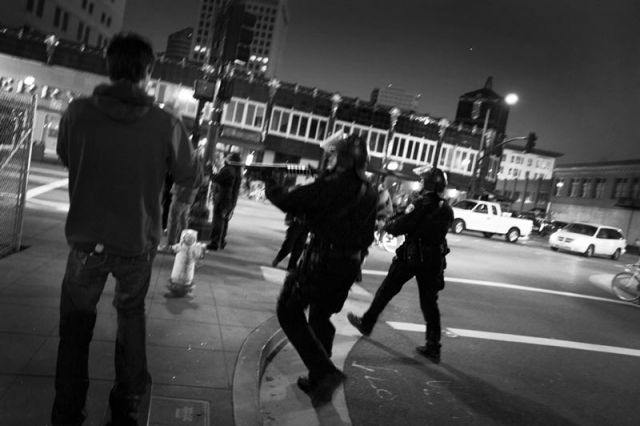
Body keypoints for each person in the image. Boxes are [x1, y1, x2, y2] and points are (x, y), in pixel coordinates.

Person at [52, 32, 196, 426]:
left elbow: (67, 155)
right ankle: (126, 406)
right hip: (136, 242)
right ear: (148, 72)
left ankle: (67, 409)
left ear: (109, 67)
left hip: (86, 241)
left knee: (75, 327)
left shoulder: (78, 112)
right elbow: (189, 173)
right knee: (131, 319)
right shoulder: (165, 123)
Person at [263, 133, 377, 407]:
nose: (328, 160)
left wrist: (271, 186)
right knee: (320, 315)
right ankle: (317, 379)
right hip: (348, 265)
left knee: (288, 311)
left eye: (332, 156)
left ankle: (325, 373)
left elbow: (291, 201)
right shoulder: (369, 190)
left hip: (323, 261)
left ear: (341, 159)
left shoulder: (334, 185)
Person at [348, 167, 453, 363]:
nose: (421, 183)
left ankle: (367, 323)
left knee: (386, 290)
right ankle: (433, 346)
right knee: (430, 304)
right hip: (433, 260)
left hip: (412, 257)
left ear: (429, 184)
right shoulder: (447, 209)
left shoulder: (421, 204)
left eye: (423, 181)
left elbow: (402, 225)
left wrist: (387, 225)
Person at [159, 150, 205, 253]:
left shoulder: (188, 167)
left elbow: (177, 176)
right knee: (183, 221)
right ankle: (183, 244)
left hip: (180, 195)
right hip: (189, 198)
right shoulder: (199, 169)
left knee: (173, 221)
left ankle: (171, 245)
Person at [207, 152, 242, 250]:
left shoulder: (229, 170)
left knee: (218, 221)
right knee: (224, 221)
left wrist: (210, 169)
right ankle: (221, 241)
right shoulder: (237, 172)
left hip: (222, 199)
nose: (226, 158)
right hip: (230, 201)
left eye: (228, 157)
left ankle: (214, 243)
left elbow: (216, 178)